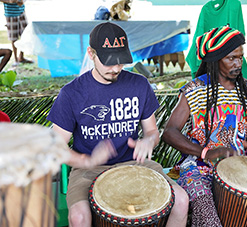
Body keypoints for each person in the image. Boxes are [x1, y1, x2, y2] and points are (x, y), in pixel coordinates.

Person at [47, 22, 189, 227]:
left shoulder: (139, 85)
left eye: (120, 62)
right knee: (79, 217)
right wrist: (87, 160)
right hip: (89, 169)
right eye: (108, 62)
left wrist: (148, 142)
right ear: (91, 53)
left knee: (181, 201)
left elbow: (152, 132)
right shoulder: (71, 94)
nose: (115, 68)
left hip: (134, 164)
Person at [162, 25, 247, 226]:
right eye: (231, 58)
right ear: (215, 60)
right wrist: (204, 152)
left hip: (243, 165)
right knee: (207, 212)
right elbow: (169, 132)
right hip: (199, 168)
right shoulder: (195, 90)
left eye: (240, 57)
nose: (238, 63)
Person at [1, 0, 33, 66]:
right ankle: (16, 60)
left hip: (22, 12)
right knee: (13, 37)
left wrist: (22, 1)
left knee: (25, 35)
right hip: (10, 15)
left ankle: (21, 57)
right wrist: (9, 1)